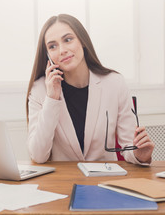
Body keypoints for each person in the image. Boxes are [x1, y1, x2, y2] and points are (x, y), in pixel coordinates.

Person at [26, 14, 154, 165]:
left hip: (104, 180)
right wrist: (51, 98)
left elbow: (129, 146)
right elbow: (38, 156)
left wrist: (140, 155)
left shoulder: (115, 83)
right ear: (48, 55)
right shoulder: (39, 89)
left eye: (68, 40)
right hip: (61, 183)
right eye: (52, 46)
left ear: (83, 41)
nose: (62, 50)